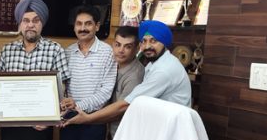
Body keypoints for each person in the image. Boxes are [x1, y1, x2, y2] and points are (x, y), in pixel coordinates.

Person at [0, 0, 70, 140]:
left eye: (35, 20)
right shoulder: (7, 50)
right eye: (26, 20)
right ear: (20, 24)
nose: (30, 25)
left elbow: (63, 92)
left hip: (40, 128)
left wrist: (50, 119)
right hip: (10, 128)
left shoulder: (54, 50)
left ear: (42, 23)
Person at [63, 20, 191, 127]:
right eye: (144, 41)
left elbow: (125, 105)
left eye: (153, 41)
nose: (147, 46)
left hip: (172, 128)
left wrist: (87, 118)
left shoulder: (163, 70)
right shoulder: (155, 62)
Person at [60, 6, 116, 140]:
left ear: (97, 26)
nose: (83, 28)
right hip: (68, 120)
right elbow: (62, 86)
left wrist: (78, 106)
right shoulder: (67, 52)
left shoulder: (108, 52)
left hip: (94, 122)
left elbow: (106, 91)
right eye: (79, 24)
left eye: (88, 24)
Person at [108, 26, 144, 140]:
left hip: (125, 134)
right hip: (110, 129)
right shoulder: (111, 63)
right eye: (118, 45)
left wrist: (88, 118)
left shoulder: (135, 75)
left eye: (127, 46)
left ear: (137, 49)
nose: (121, 50)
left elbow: (119, 111)